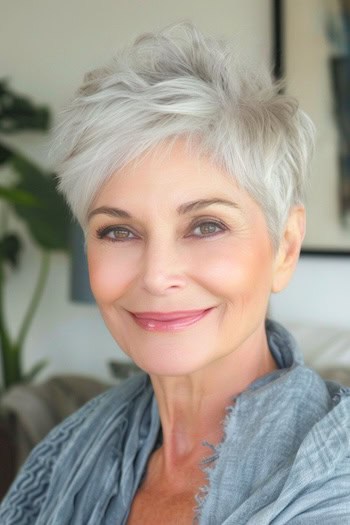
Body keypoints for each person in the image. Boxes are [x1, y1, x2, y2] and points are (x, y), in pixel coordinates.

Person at [1, 21, 349, 525]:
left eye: (206, 225)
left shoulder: (335, 481)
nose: (157, 275)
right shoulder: (65, 454)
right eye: (118, 232)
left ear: (285, 247)